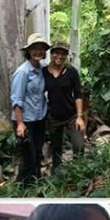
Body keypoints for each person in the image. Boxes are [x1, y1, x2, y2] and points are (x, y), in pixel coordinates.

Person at [10, 33, 49, 184]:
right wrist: (20, 124)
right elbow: (16, 99)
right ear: (28, 51)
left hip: (39, 118)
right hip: (24, 120)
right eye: (35, 49)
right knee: (28, 155)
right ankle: (22, 186)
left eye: (41, 49)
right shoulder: (23, 72)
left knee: (38, 152)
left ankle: (36, 181)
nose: (38, 52)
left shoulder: (42, 69)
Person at [43, 41, 85, 173]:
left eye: (63, 53)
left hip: (71, 115)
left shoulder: (71, 72)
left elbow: (78, 94)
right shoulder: (44, 72)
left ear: (66, 55)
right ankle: (57, 175)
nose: (59, 56)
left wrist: (79, 117)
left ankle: (79, 172)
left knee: (79, 145)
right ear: (51, 54)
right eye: (56, 53)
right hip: (53, 117)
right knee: (56, 148)